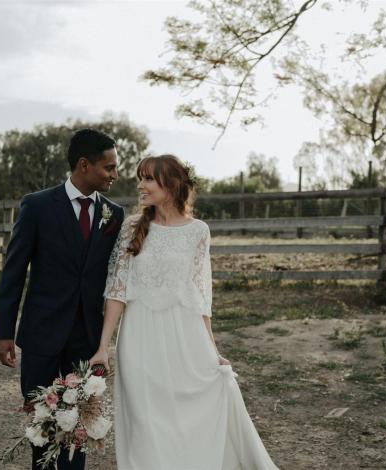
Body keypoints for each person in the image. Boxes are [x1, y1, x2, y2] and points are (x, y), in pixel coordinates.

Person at [90, 155, 279, 470]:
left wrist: (213, 350)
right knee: (146, 422)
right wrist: (102, 347)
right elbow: (117, 291)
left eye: (149, 178)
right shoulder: (131, 228)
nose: (140, 185)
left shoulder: (199, 231)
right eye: (141, 177)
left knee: (187, 417)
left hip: (185, 336)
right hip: (140, 336)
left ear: (172, 184)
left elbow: (200, 297)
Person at [0, 128, 125, 470]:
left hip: (85, 337)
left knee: (78, 423)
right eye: (109, 167)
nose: (115, 174)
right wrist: (4, 331)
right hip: (41, 333)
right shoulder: (37, 206)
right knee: (42, 422)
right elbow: (13, 271)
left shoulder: (115, 215)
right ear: (84, 165)